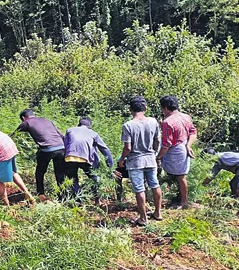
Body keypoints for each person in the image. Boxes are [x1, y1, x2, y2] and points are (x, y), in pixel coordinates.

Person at [119, 96, 162, 226]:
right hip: (150, 159)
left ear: (130, 109)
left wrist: (122, 160)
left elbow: (128, 147)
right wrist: (155, 152)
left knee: (139, 189)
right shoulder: (153, 122)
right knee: (155, 185)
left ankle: (143, 218)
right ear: (145, 108)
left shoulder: (128, 125)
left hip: (135, 161)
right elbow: (157, 141)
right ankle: (158, 213)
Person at [156, 96, 197, 209]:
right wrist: (188, 145)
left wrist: (158, 157)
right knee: (178, 176)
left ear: (165, 108)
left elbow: (166, 144)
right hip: (183, 146)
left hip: (175, 151)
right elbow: (193, 132)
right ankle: (178, 198)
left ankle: (183, 202)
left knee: (180, 177)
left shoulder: (167, 122)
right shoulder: (186, 117)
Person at [16, 109, 66, 200]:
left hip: (47, 150)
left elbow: (15, 135)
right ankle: (62, 197)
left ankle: (41, 194)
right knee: (60, 173)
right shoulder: (46, 120)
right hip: (61, 147)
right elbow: (61, 135)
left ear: (23, 118)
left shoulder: (26, 122)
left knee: (40, 171)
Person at [63, 117, 114, 205]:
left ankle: (78, 200)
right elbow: (104, 149)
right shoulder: (93, 133)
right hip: (85, 159)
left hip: (70, 158)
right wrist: (110, 165)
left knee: (73, 179)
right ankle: (97, 200)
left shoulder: (70, 130)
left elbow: (65, 145)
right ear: (89, 126)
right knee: (94, 178)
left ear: (78, 124)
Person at [0, 127, 34, 205]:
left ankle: (6, 204)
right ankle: (28, 195)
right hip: (9, 145)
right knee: (12, 172)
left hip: (2, 149)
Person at [203, 151, 239, 217]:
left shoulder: (224, 157)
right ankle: (234, 202)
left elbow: (235, 165)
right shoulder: (217, 163)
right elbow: (210, 176)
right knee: (233, 184)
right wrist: (201, 186)